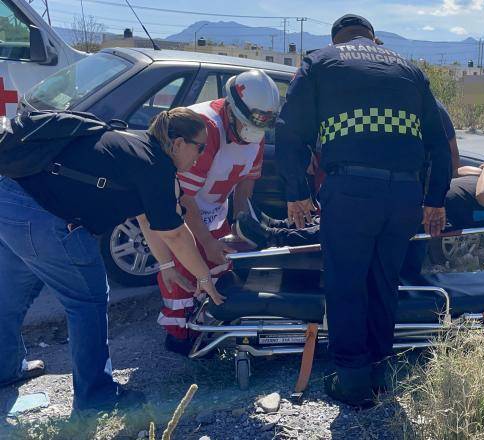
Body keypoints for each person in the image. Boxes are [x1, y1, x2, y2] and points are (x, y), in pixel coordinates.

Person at [275, 14, 451, 407]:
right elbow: (438, 142)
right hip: (404, 193)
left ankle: (353, 381)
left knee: (346, 281)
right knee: (383, 281)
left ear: (337, 39)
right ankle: (379, 371)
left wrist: (297, 191)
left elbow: (288, 130)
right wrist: (435, 199)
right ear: (374, 38)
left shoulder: (321, 62)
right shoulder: (409, 68)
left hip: (352, 190)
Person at [0, 108, 224, 411]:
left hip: (9, 196)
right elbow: (175, 234)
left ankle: (5, 367)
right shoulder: (156, 166)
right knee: (88, 300)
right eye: (201, 147)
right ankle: (96, 398)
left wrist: (167, 267)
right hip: (40, 215)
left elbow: (147, 218)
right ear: (178, 143)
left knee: (13, 293)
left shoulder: (134, 145)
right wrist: (205, 278)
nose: (201, 156)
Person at [151, 69, 280, 355]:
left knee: (219, 271)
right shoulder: (203, 128)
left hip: (214, 210)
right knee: (185, 273)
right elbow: (184, 198)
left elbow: (246, 181)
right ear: (232, 109)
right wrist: (206, 242)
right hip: (185, 213)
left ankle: (210, 325)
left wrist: (238, 223)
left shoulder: (253, 130)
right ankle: (180, 338)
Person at [236, 161, 484, 246]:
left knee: (351, 229)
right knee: (348, 219)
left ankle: (273, 238)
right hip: (420, 203)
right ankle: (277, 227)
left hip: (428, 216)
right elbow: (462, 171)